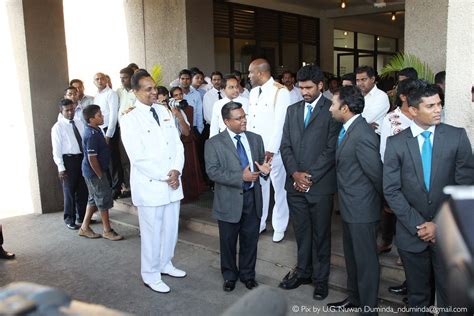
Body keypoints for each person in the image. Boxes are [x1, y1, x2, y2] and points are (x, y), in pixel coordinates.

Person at [384, 82, 474, 313]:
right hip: (411, 234)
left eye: (440, 104)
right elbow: (392, 190)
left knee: (453, 299)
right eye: (431, 105)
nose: (438, 110)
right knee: (417, 297)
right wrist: (419, 224)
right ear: (413, 110)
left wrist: (439, 225)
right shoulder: (396, 143)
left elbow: (465, 188)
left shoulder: (457, 137)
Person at [121, 69, 186, 294]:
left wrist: (176, 170)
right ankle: (150, 273)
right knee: (152, 232)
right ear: (134, 91)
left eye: (154, 87)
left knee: (170, 229)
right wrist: (165, 176)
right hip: (152, 185)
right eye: (147, 89)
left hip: (172, 181)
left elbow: (178, 144)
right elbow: (137, 157)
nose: (154, 92)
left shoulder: (164, 110)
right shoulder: (129, 118)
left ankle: (165, 263)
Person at [278, 65, 340, 300]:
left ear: (320, 86)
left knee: (321, 234)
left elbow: (331, 149)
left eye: (308, 87)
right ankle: (303, 272)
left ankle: (321, 280)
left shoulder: (331, 110)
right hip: (294, 184)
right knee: (302, 232)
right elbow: (286, 145)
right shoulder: (292, 110)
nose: (303, 91)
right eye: (301, 87)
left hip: (320, 185)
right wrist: (295, 173)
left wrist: (309, 176)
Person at [326, 86, 382, 314]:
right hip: (350, 207)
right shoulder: (349, 128)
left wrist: (386, 203)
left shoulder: (362, 135)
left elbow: (376, 173)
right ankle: (355, 298)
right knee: (352, 257)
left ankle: (369, 309)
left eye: (333, 104)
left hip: (363, 209)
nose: (330, 108)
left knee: (366, 261)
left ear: (345, 108)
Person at [205, 101, 271, 292]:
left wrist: (265, 171)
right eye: (239, 118)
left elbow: (259, 166)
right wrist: (239, 177)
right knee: (227, 242)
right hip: (228, 201)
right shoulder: (214, 143)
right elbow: (212, 172)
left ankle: (248, 275)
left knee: (250, 240)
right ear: (226, 121)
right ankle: (229, 276)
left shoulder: (256, 139)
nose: (244, 121)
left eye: (244, 116)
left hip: (252, 198)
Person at [247, 58, 291, 242]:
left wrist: (271, 150)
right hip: (256, 148)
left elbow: (281, 123)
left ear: (261, 73)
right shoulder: (253, 92)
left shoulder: (280, 92)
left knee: (279, 188)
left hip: (274, 151)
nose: (248, 76)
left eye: (251, 72)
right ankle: (261, 222)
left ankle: (279, 225)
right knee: (260, 187)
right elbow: (251, 121)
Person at [78, 104, 123, 241]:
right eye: (99, 115)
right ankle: (107, 230)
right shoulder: (91, 134)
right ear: (91, 119)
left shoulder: (96, 130)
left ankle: (84, 228)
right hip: (94, 173)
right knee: (103, 199)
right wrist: (100, 174)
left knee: (93, 199)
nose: (102, 116)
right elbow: (92, 158)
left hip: (95, 172)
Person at [51, 98, 88, 230]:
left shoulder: (79, 123)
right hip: (68, 160)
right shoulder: (58, 127)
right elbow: (56, 149)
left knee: (83, 190)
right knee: (69, 191)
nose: (70, 112)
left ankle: (83, 217)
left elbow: (84, 141)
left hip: (81, 158)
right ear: (61, 111)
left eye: (72, 109)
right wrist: (61, 167)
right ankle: (69, 219)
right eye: (67, 110)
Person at [170, 86, 206, 202]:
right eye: (175, 95)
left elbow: (186, 130)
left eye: (180, 94)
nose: (179, 97)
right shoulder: (165, 111)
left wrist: (178, 115)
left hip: (184, 142)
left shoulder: (185, 109)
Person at [92, 72, 122, 199]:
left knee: (114, 160)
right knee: (105, 160)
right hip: (100, 130)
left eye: (101, 78)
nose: (99, 81)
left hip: (110, 131)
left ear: (106, 80)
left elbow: (113, 115)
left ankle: (116, 188)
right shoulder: (96, 96)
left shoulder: (111, 94)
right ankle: (109, 186)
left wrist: (109, 134)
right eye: (97, 79)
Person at [117, 67, 136, 198]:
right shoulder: (119, 92)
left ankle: (136, 186)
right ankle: (128, 186)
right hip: (122, 130)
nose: (122, 80)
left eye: (125, 77)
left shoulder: (137, 92)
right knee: (124, 160)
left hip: (135, 132)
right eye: (121, 78)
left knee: (134, 159)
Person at [355, 66, 390, 134]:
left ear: (373, 79)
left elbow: (366, 119)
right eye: (357, 80)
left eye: (364, 79)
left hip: (373, 137)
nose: (360, 83)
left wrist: (360, 123)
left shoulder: (381, 96)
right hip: (356, 135)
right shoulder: (355, 95)